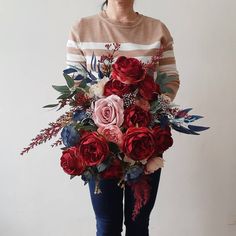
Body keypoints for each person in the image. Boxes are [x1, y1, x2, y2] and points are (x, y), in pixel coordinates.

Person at [65, 1, 180, 235]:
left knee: (139, 223)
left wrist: (149, 108)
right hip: (100, 146)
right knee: (107, 224)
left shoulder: (157, 30)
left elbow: (170, 79)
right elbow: (75, 87)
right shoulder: (82, 28)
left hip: (145, 143)